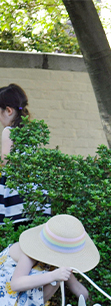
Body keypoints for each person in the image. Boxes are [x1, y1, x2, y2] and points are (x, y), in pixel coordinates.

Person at [0, 214, 100, 306]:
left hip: (17, 292)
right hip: (4, 291)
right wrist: (53, 275)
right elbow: (16, 284)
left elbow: (76, 287)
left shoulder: (57, 262)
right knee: (55, 277)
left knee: (59, 277)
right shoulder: (29, 253)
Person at [0, 83, 51, 224]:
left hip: (16, 193)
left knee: (14, 228)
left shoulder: (9, 131)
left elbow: (6, 162)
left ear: (8, 111)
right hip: (35, 191)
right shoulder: (30, 130)